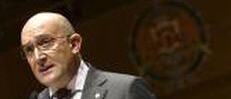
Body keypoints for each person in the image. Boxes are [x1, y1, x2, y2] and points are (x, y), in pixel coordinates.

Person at [20, 12, 157, 99]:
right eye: (29, 50)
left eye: (45, 42)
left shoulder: (124, 91)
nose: (38, 57)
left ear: (74, 44)